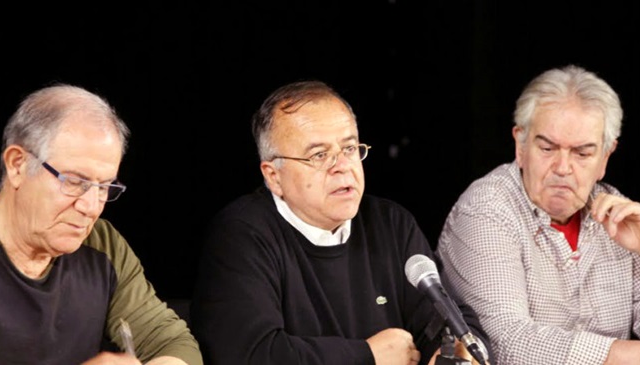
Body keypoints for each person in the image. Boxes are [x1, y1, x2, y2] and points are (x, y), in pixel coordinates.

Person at [435, 65, 640, 364]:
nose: (563, 168)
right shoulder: (485, 210)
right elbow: (505, 344)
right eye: (547, 148)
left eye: (582, 153)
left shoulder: (615, 209)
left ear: (605, 157)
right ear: (520, 146)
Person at [190, 80, 492, 365]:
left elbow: (449, 322)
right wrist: (366, 356)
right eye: (319, 155)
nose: (343, 167)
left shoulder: (391, 224)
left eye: (349, 149)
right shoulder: (242, 235)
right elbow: (252, 354)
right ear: (273, 176)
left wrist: (457, 354)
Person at [0, 84, 204, 365]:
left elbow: (175, 344)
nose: (91, 207)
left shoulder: (104, 246)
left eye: (104, 187)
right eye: (75, 182)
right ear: (17, 165)